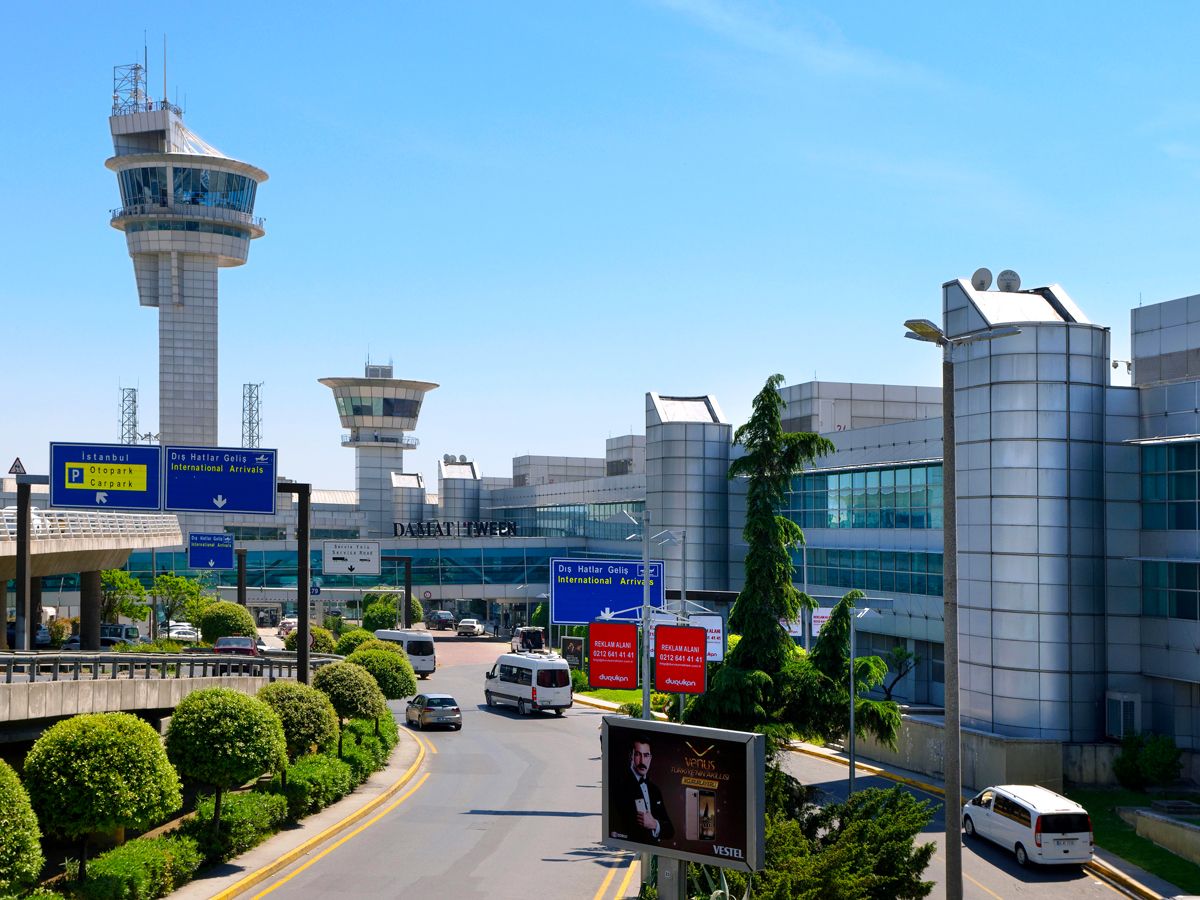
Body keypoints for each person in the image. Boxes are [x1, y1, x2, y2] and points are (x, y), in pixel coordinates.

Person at [610, 736, 674, 843]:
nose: (642, 761)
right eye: (638, 754)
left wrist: (654, 824)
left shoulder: (655, 790)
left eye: (646, 755)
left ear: (650, 758)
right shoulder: (619, 785)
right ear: (631, 756)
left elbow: (670, 831)